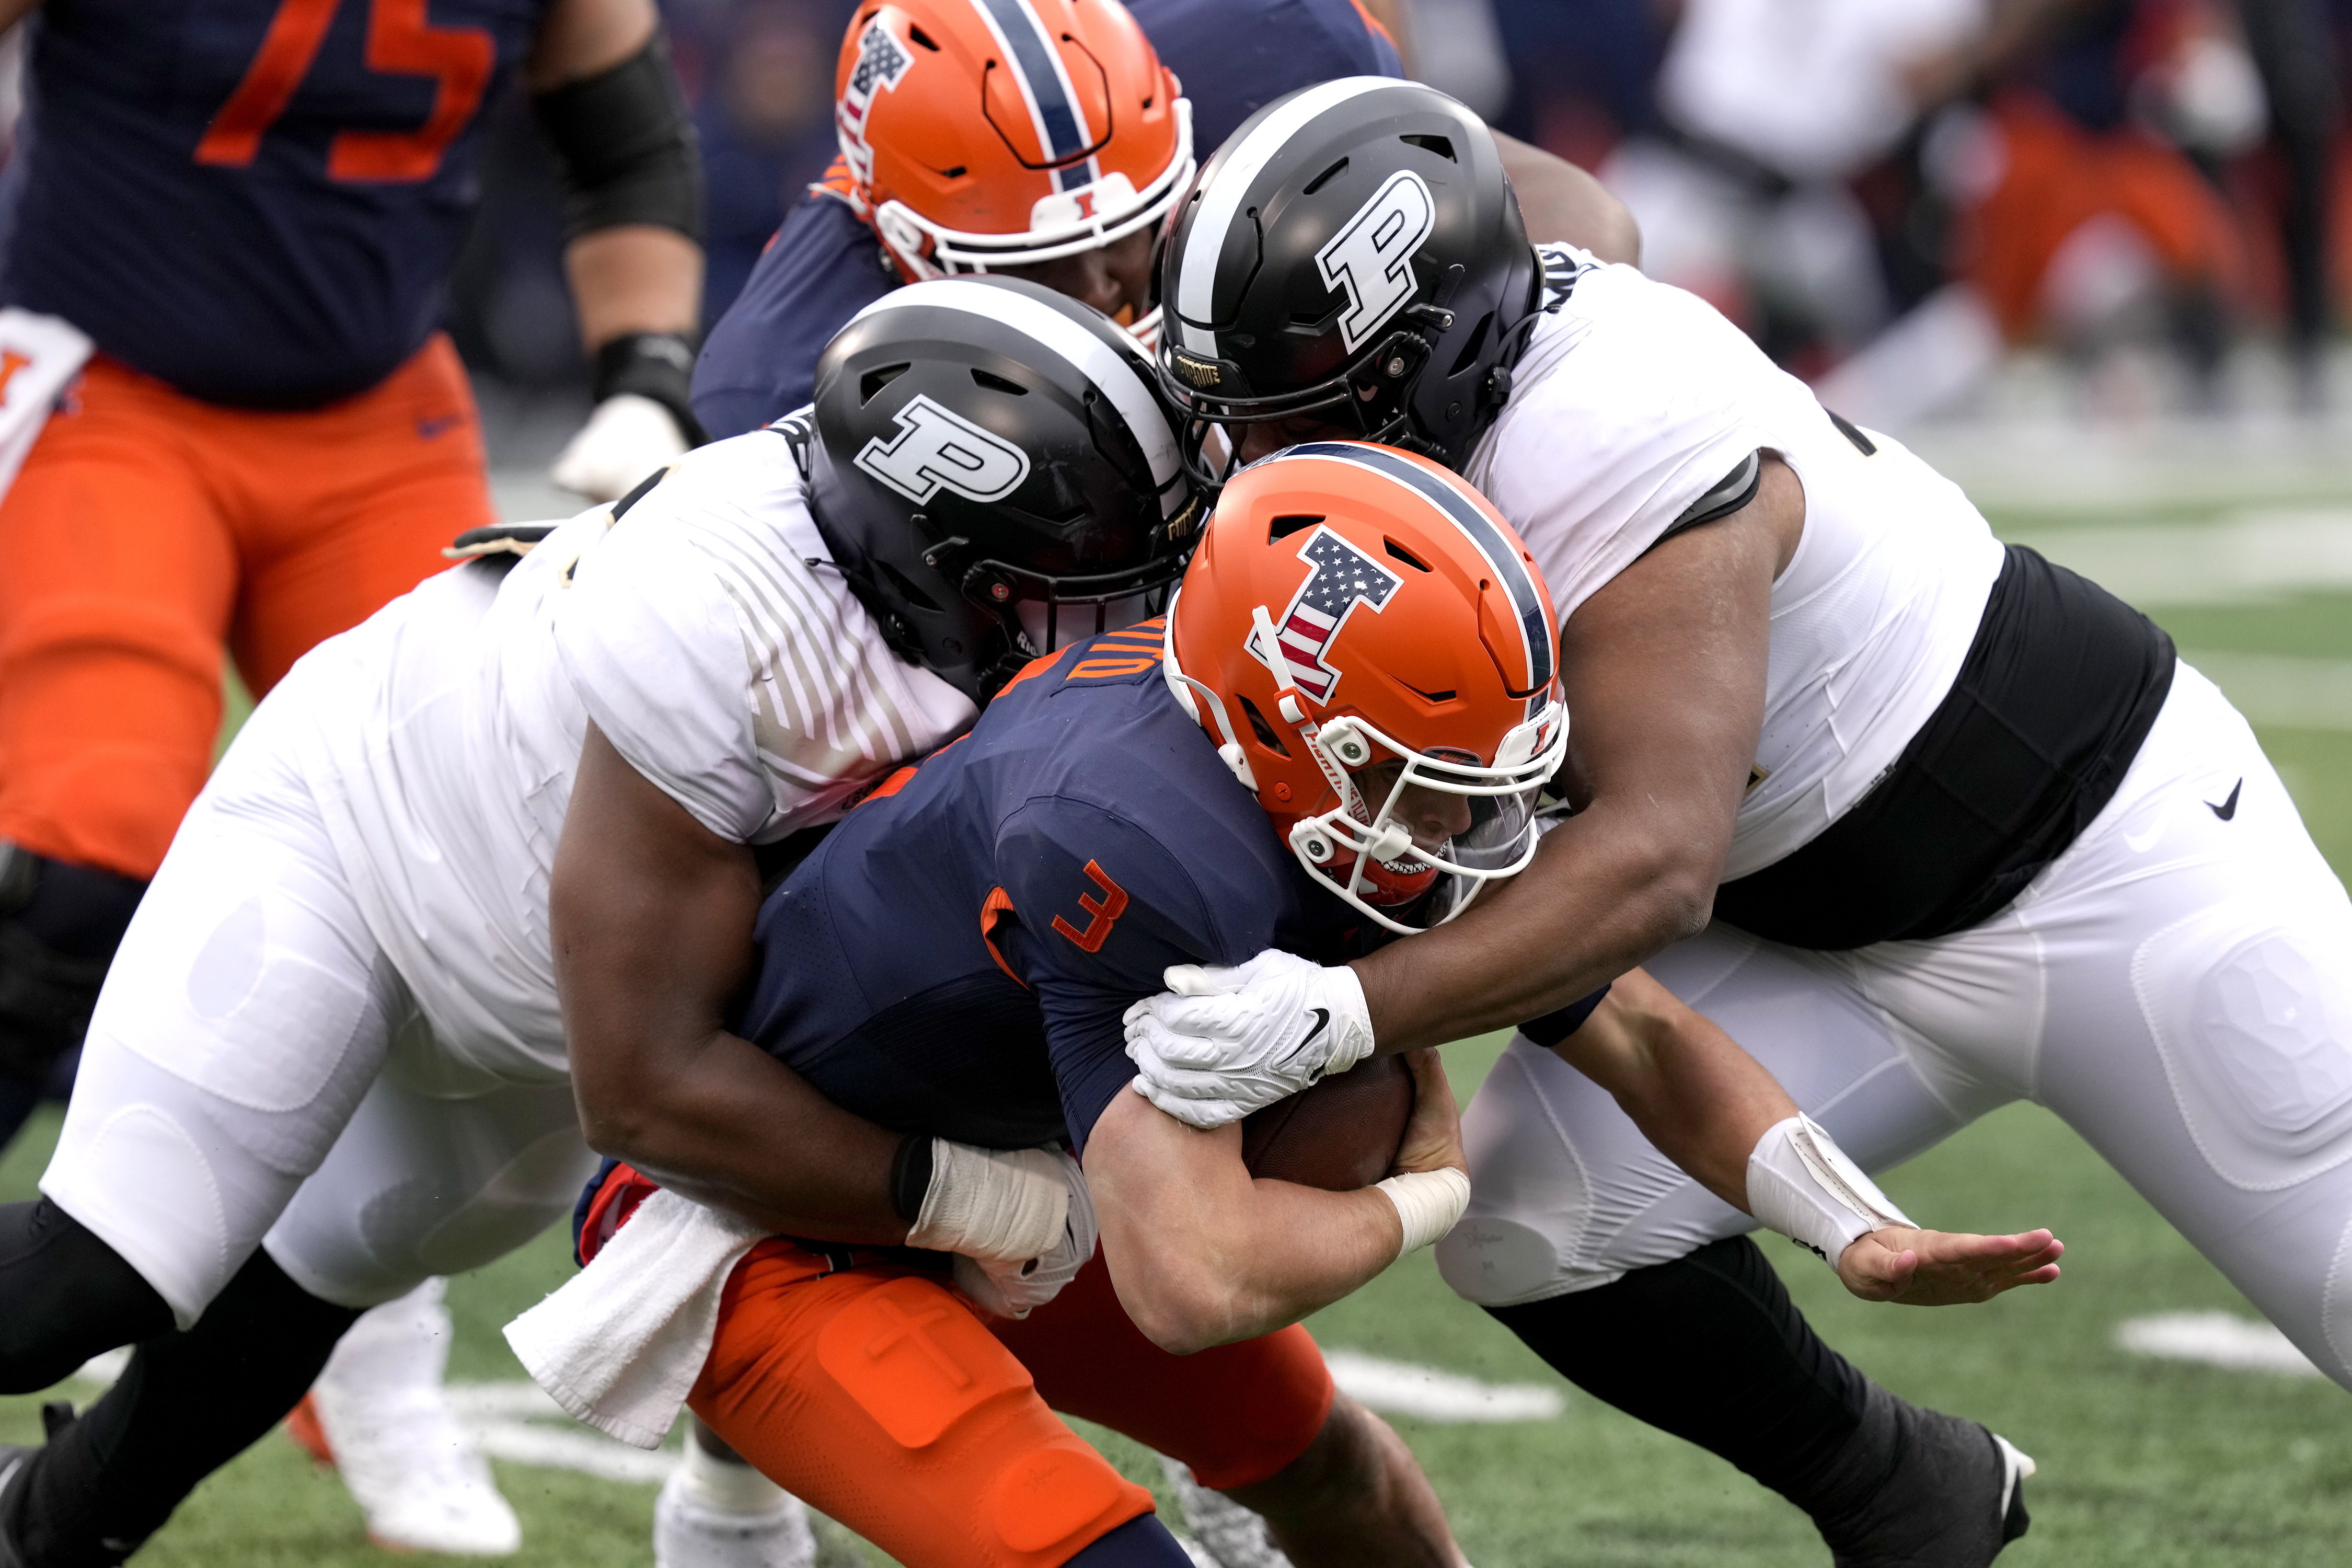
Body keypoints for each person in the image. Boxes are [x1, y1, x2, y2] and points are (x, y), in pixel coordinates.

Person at [1110, 73, 2342, 1566]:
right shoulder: (1493, 308)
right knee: (1536, 1225)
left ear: (1431, 358)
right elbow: (1575, 208)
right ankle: (1905, 1489)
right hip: (1820, 921)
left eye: (1291, 412)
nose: (1257, 456)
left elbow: (1650, 863)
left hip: (2107, 867)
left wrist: (1342, 1013)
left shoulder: (1605, 430)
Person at [533, 435, 2054, 1568]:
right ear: (1283, 730)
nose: (1467, 831)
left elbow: (1639, 1027)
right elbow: (1192, 1282)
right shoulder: (1128, 838)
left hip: (1040, 1168)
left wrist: (1849, 1224)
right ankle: (737, 1465)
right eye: (1426, 787)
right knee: (1093, 1543)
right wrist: (1432, 1192)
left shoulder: (1341, 774)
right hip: (782, 1224)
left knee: (1334, 1478)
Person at [0, 279, 1189, 1568]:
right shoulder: (729, 618)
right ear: (940, 567)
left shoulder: (904, 575)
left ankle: (37, 1531)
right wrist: (980, 1200)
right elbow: (648, 1099)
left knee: (300, 1299)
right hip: (365, 842)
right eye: (1071, 588)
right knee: (96, 1276)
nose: (1116, 625)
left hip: (550, 995)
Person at [0, 0, 705, 1548]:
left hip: (378, 410)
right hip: (107, 378)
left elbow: (623, 137)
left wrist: (645, 377)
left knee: (505, 906)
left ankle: (370, 1361)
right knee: (75, 862)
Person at [686, 0, 1638, 442]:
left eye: (1136, 228)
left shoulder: (1269, 45)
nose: (1108, 285)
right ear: (908, 246)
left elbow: (1582, 213)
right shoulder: (787, 383)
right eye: (1046, 264)